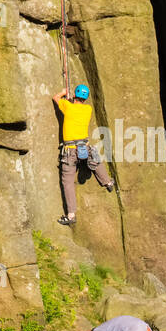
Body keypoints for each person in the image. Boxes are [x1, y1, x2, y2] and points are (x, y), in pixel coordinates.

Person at [53, 83, 115, 226]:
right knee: (95, 162)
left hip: (69, 150)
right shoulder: (88, 109)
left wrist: (63, 92)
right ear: (85, 99)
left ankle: (71, 215)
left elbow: (55, 98)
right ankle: (107, 182)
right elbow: (77, 108)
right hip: (84, 147)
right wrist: (71, 99)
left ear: (74, 96)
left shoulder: (67, 107)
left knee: (67, 181)